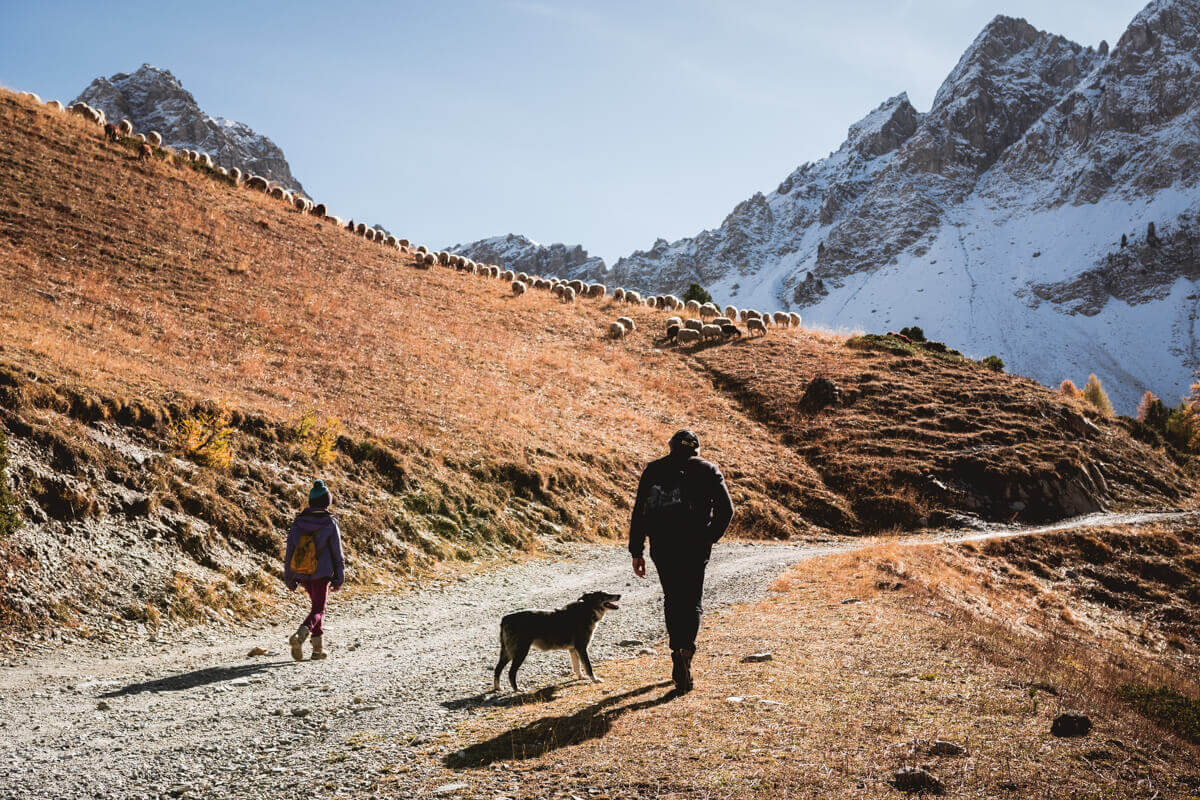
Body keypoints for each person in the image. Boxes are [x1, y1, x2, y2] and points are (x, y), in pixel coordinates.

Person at [629, 429, 734, 692]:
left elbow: (640, 512)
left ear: (671, 446)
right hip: (695, 546)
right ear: (696, 449)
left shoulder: (653, 470)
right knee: (692, 600)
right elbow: (727, 510)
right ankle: (685, 652)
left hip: (663, 547)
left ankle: (676, 650)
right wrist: (710, 536)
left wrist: (636, 551)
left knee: (673, 599)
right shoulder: (708, 469)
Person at [283, 480, 345, 661]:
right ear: (327, 502)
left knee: (316, 607)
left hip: (303, 572)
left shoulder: (298, 522)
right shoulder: (329, 523)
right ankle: (301, 633)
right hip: (322, 573)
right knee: (319, 608)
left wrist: (290, 577)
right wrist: (339, 577)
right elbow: (337, 552)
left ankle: (318, 650)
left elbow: (290, 552)